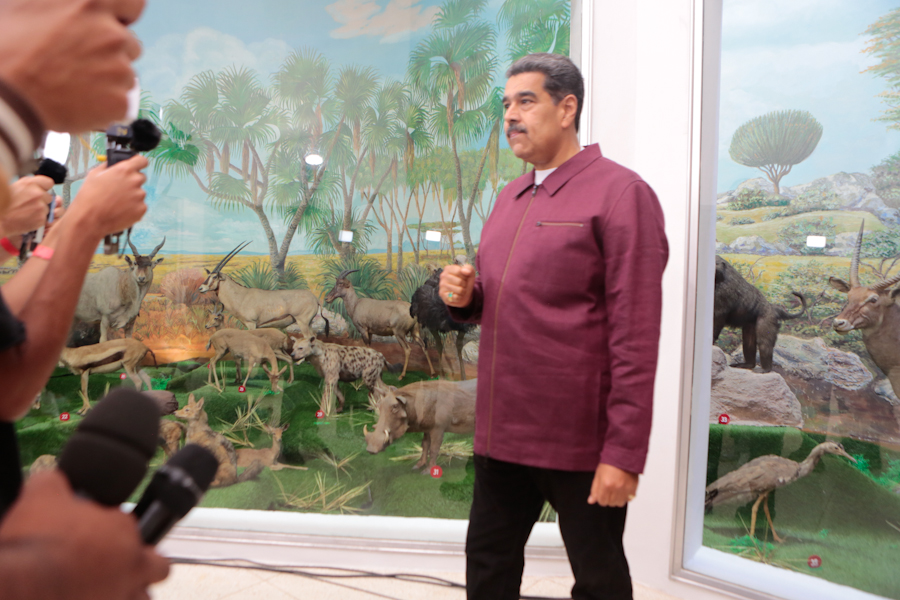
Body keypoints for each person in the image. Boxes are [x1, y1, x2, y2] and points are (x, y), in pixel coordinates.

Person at [439, 53, 668, 600]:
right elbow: (505, 298)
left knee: (599, 581)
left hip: (578, 442)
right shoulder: (509, 197)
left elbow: (637, 338)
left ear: (567, 109)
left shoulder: (622, 194)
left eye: (526, 101)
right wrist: (467, 299)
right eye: (505, 104)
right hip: (500, 433)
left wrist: (623, 454)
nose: (510, 116)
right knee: (487, 570)